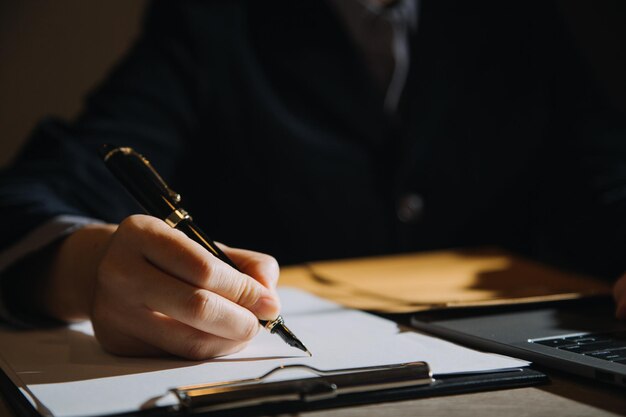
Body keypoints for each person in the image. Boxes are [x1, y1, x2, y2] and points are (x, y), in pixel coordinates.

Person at [0, 0, 625, 359]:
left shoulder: (523, 22)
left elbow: (605, 183)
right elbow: (36, 194)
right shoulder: (212, 22)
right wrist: (88, 270)